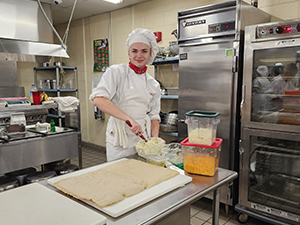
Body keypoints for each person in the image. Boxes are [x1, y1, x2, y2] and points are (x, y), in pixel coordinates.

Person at [89, 28, 160, 161]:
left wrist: (154, 138)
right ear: (128, 53)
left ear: (150, 54)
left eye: (144, 51)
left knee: (141, 174)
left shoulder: (153, 84)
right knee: (119, 174)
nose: (139, 55)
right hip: (119, 138)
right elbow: (98, 99)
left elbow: (154, 115)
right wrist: (129, 119)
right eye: (134, 51)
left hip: (143, 137)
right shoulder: (117, 72)